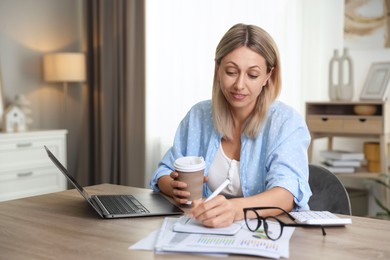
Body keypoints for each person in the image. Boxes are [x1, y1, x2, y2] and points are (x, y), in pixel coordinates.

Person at [150, 23, 312, 228]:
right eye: (231, 71)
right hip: (203, 232)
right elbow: (164, 171)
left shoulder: (286, 123)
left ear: (268, 76)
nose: (240, 85)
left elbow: (287, 192)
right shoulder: (198, 116)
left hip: (267, 235)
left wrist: (235, 209)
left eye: (252, 75)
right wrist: (175, 187)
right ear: (217, 69)